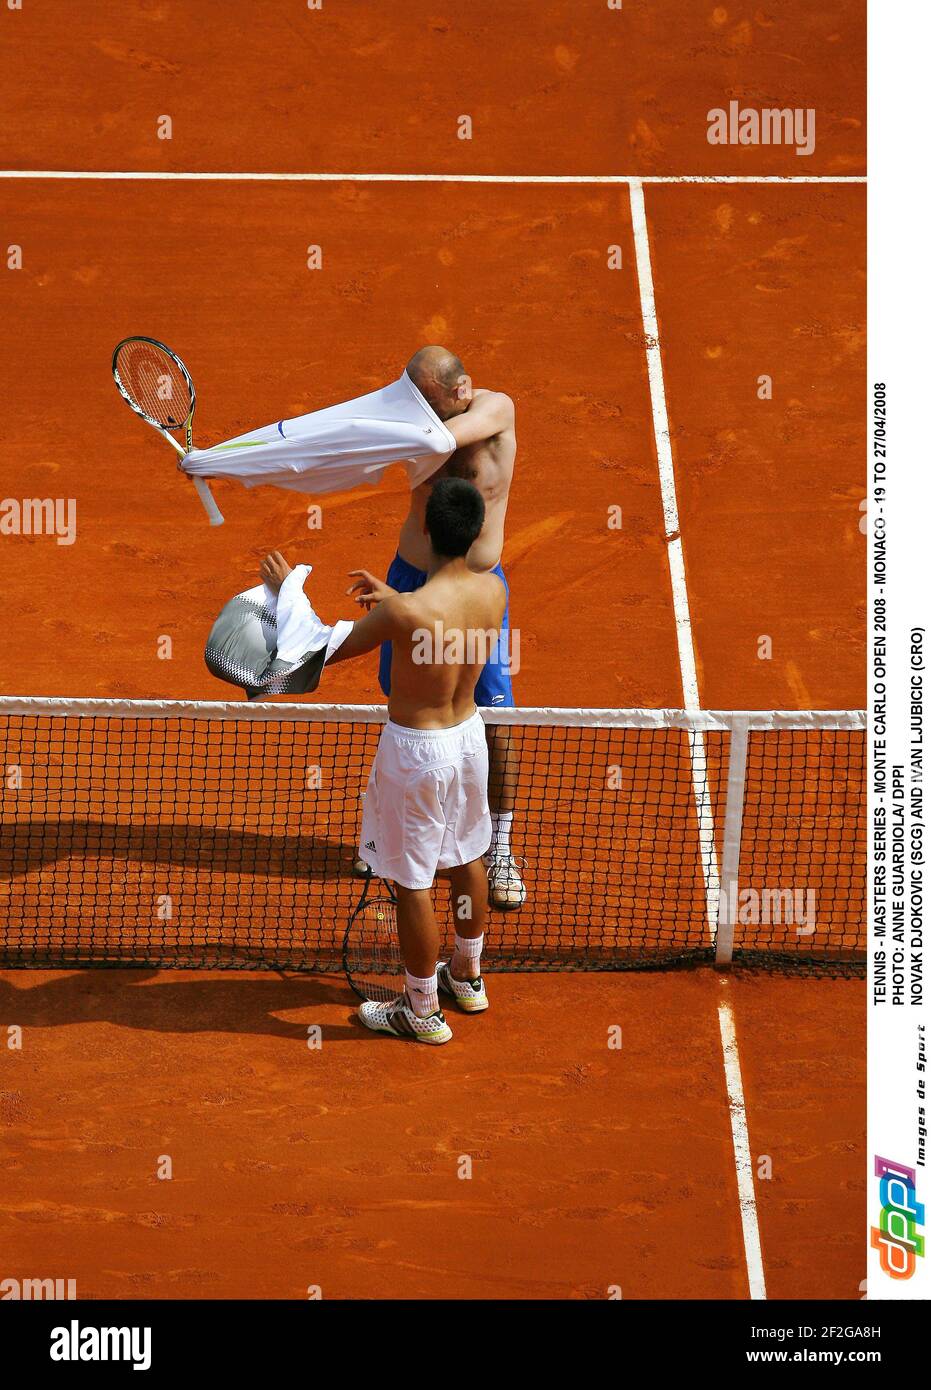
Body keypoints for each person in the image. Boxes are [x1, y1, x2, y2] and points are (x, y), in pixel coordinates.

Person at [260, 477, 506, 1045]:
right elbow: (441, 623)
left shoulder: (408, 614)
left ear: (425, 529)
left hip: (417, 753)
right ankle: (466, 976)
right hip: (470, 738)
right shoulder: (492, 591)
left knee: (412, 883)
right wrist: (397, 604)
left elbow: (322, 646)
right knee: (470, 854)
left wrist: (285, 593)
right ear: (476, 533)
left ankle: (421, 1011)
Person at [369, 344, 526, 910]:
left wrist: (392, 431)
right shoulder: (420, 420)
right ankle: (399, 835)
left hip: (477, 589)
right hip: (410, 578)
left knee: (493, 719)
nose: (420, 412)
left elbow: (442, 440)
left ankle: (500, 846)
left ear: (461, 390)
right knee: (410, 707)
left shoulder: (495, 410)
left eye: (427, 402)